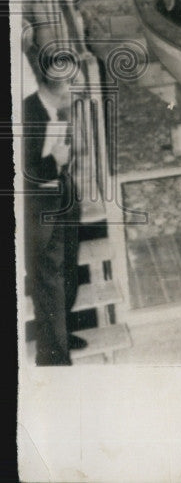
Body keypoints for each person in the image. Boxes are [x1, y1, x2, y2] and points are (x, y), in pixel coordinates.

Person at [23, 49, 85, 365]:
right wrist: (53, 162)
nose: (78, 96)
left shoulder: (52, 110)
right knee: (50, 282)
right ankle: (53, 356)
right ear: (61, 87)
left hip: (60, 198)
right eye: (76, 90)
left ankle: (62, 331)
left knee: (68, 272)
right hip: (39, 209)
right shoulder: (27, 114)